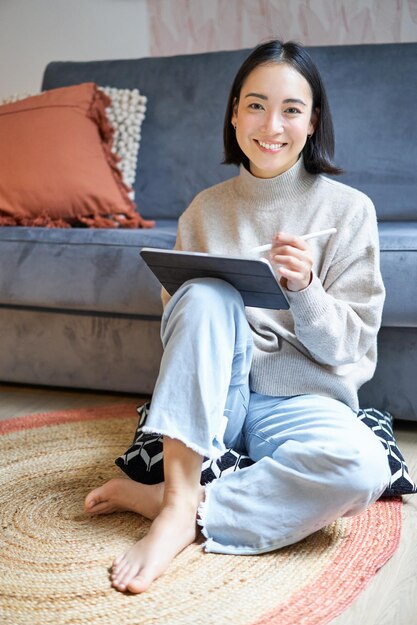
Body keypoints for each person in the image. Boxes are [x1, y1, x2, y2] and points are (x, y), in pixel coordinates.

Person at [85, 39, 391, 594]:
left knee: (361, 470)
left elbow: (349, 347)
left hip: (302, 402)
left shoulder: (350, 212)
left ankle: (180, 501)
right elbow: (182, 330)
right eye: (255, 105)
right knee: (202, 295)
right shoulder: (204, 209)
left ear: (312, 120)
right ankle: (178, 509)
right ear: (233, 113)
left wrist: (305, 289)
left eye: (291, 109)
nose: (271, 124)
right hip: (217, 400)